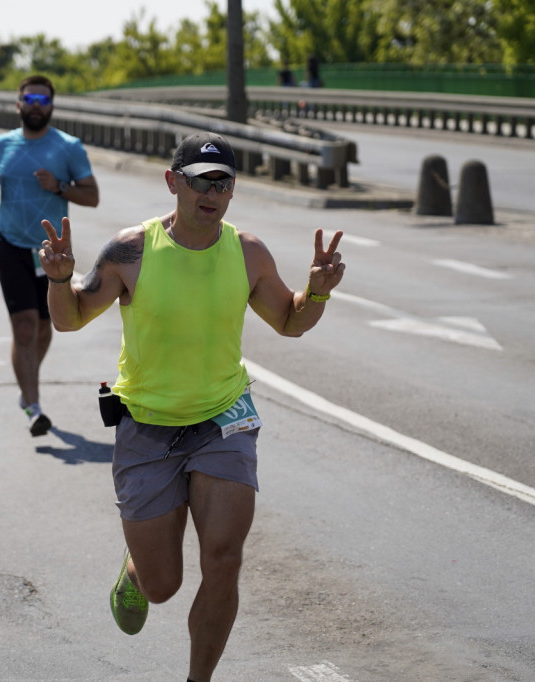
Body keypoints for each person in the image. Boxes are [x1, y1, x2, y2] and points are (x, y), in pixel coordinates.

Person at [38, 132, 345, 682]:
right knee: (163, 586)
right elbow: (69, 318)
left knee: (224, 560)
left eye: (222, 181)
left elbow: (289, 321)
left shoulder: (247, 252)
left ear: (232, 192)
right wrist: (59, 281)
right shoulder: (131, 250)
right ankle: (137, 572)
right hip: (148, 429)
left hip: (223, 419)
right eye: (201, 179)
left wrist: (315, 291)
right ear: (172, 181)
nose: (212, 190)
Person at [0, 74, 99, 437]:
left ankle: (26, 379)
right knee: (25, 326)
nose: (35, 106)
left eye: (43, 101)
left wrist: (59, 187)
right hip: (10, 245)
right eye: (30, 99)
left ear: (52, 107)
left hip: (52, 253)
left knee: (45, 327)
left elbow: (91, 196)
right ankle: (33, 405)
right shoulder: (3, 143)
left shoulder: (68, 147)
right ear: (18, 104)